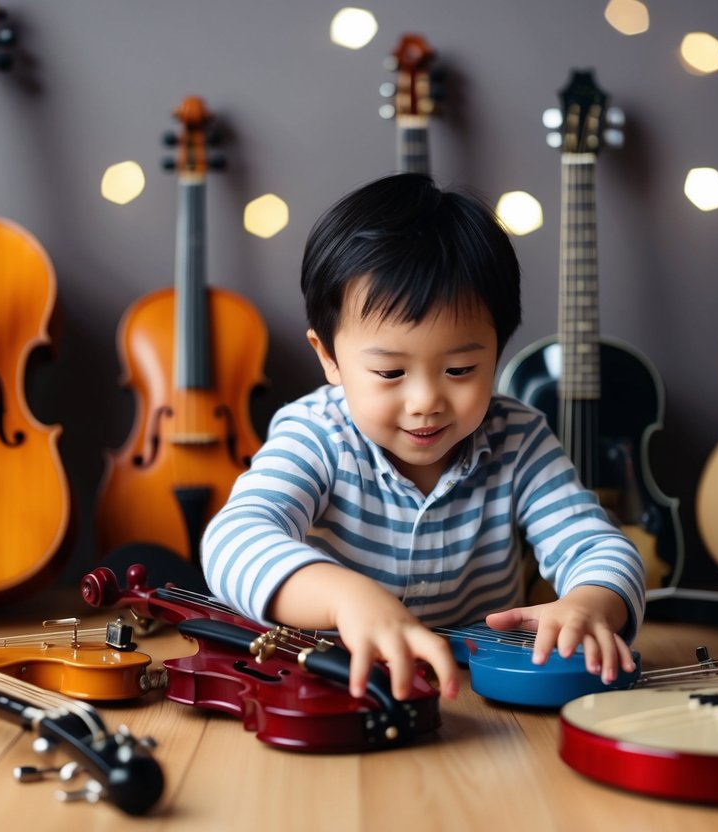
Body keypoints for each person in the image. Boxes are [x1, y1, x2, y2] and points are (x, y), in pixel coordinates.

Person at [201, 172, 645, 702]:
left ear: (497, 352)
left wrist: (592, 601)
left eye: (460, 369)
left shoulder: (520, 439)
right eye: (390, 374)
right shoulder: (317, 435)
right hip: (340, 688)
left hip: (478, 694)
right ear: (329, 357)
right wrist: (345, 597)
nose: (425, 401)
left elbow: (596, 544)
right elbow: (234, 538)